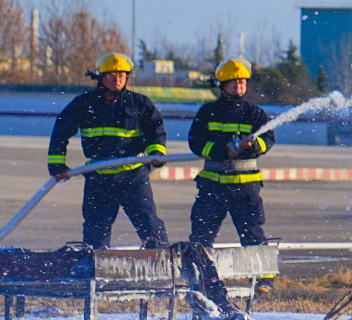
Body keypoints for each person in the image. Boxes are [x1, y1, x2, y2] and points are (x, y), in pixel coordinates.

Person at [47, 52, 171, 248]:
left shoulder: (140, 104)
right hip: (98, 178)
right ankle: (94, 269)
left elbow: (155, 130)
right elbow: (60, 132)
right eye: (111, 75)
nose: (117, 80)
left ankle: (163, 261)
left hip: (133, 177)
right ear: (100, 77)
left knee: (149, 224)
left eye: (122, 75)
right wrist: (56, 165)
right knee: (96, 231)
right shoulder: (84, 104)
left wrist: (156, 153)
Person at [187, 58, 275, 247]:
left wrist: (253, 145)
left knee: (253, 236)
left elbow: (268, 139)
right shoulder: (208, 112)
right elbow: (195, 142)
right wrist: (224, 150)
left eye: (242, 82)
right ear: (221, 85)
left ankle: (263, 277)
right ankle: (202, 276)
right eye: (233, 82)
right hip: (213, 185)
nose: (238, 86)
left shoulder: (255, 113)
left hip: (246, 188)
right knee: (201, 237)